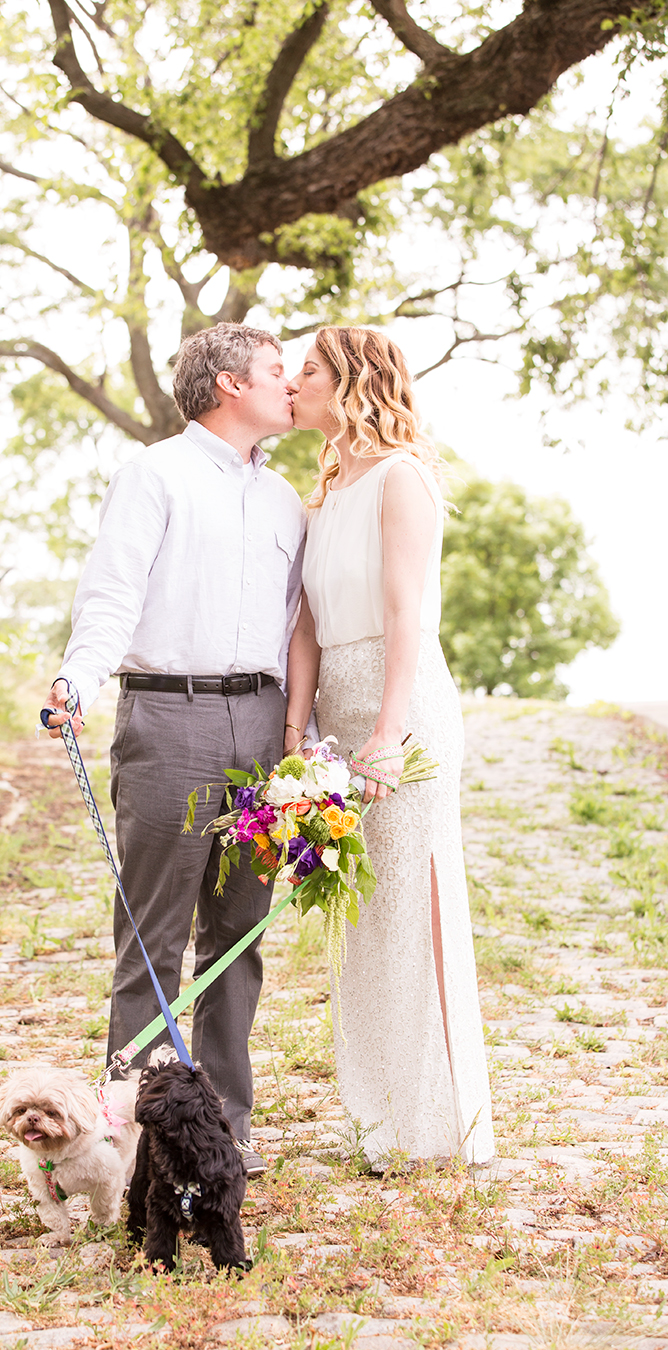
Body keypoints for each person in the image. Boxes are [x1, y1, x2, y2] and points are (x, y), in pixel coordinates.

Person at [45, 323, 306, 1175]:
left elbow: (298, 626)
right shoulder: (153, 474)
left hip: (261, 724)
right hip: (169, 717)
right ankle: (143, 1133)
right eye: (276, 370)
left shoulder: (286, 499)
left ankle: (223, 1126)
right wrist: (78, 679)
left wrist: (305, 741)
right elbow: (112, 593)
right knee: (152, 939)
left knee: (238, 934)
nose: (291, 384)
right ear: (229, 383)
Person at [283, 327, 494, 1169]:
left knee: (412, 908)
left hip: (400, 712)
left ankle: (436, 1125)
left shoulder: (402, 477)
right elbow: (304, 626)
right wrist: (297, 735)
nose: (291, 382)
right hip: (337, 711)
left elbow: (410, 615)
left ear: (352, 381)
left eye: (306, 370)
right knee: (361, 918)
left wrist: (387, 735)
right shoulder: (325, 492)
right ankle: (377, 1119)